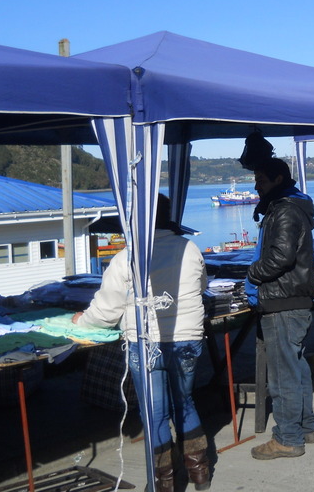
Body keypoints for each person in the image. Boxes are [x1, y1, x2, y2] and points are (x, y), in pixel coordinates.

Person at [72, 194, 211, 492]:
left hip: (147, 342)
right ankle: (200, 473)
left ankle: (164, 483)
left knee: (155, 413)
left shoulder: (128, 257)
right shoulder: (190, 248)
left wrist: (81, 321)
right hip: (187, 337)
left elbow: (106, 312)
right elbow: (202, 286)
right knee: (185, 403)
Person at [246, 157, 314, 460]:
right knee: (297, 365)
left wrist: (253, 272)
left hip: (282, 300)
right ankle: (306, 426)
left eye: (261, 179)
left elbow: (281, 257)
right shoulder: (289, 206)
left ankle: (288, 437)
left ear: (278, 179)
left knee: (282, 373)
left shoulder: (285, 210)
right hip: (292, 299)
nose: (256, 185)